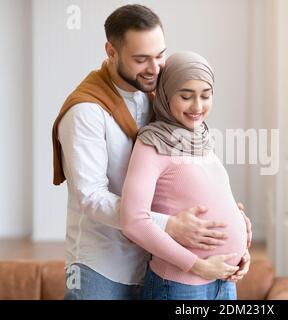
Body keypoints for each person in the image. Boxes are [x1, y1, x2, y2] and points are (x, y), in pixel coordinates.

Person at [51, 4, 251, 300]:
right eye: (141, 59)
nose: (155, 68)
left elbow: (181, 171)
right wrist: (168, 224)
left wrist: (229, 218)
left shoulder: (159, 96)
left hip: (156, 258)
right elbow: (90, 197)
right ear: (111, 51)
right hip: (104, 263)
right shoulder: (86, 112)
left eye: (160, 55)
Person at [120, 51, 249, 300]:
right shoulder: (151, 144)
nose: (198, 107)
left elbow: (211, 197)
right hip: (181, 286)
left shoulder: (201, 137)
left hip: (225, 280)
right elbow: (133, 223)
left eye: (206, 95)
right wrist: (198, 265)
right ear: (166, 95)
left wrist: (242, 245)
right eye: (186, 96)